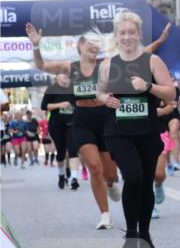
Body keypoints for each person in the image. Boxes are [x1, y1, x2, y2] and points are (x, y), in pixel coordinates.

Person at [27, 25, 121, 228]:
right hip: (82, 121)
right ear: (80, 45)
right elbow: (41, 64)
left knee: (109, 173)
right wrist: (36, 46)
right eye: (90, 44)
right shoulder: (72, 67)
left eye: (97, 45)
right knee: (95, 167)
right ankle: (105, 215)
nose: (94, 48)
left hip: (105, 119)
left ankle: (112, 183)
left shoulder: (105, 66)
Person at [96, 10, 175, 248]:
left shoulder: (152, 61)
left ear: (138, 34)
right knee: (133, 176)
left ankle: (145, 233)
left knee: (145, 182)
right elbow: (98, 92)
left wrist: (148, 86)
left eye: (131, 32)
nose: (127, 37)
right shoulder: (108, 64)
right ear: (116, 36)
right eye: (123, 33)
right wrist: (105, 99)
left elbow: (171, 93)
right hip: (118, 131)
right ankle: (131, 234)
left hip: (148, 130)